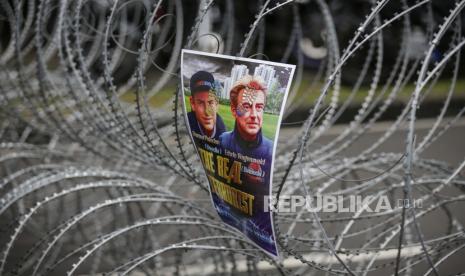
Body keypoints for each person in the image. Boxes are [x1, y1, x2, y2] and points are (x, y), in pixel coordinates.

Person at [219, 75, 272, 165]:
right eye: (246, 106)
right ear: (234, 110)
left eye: (259, 107)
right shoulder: (223, 141)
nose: (254, 115)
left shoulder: (271, 150)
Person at [188, 71, 226, 140]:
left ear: (216, 104)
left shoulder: (222, 134)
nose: (207, 112)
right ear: (192, 103)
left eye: (210, 102)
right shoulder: (187, 122)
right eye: (200, 103)